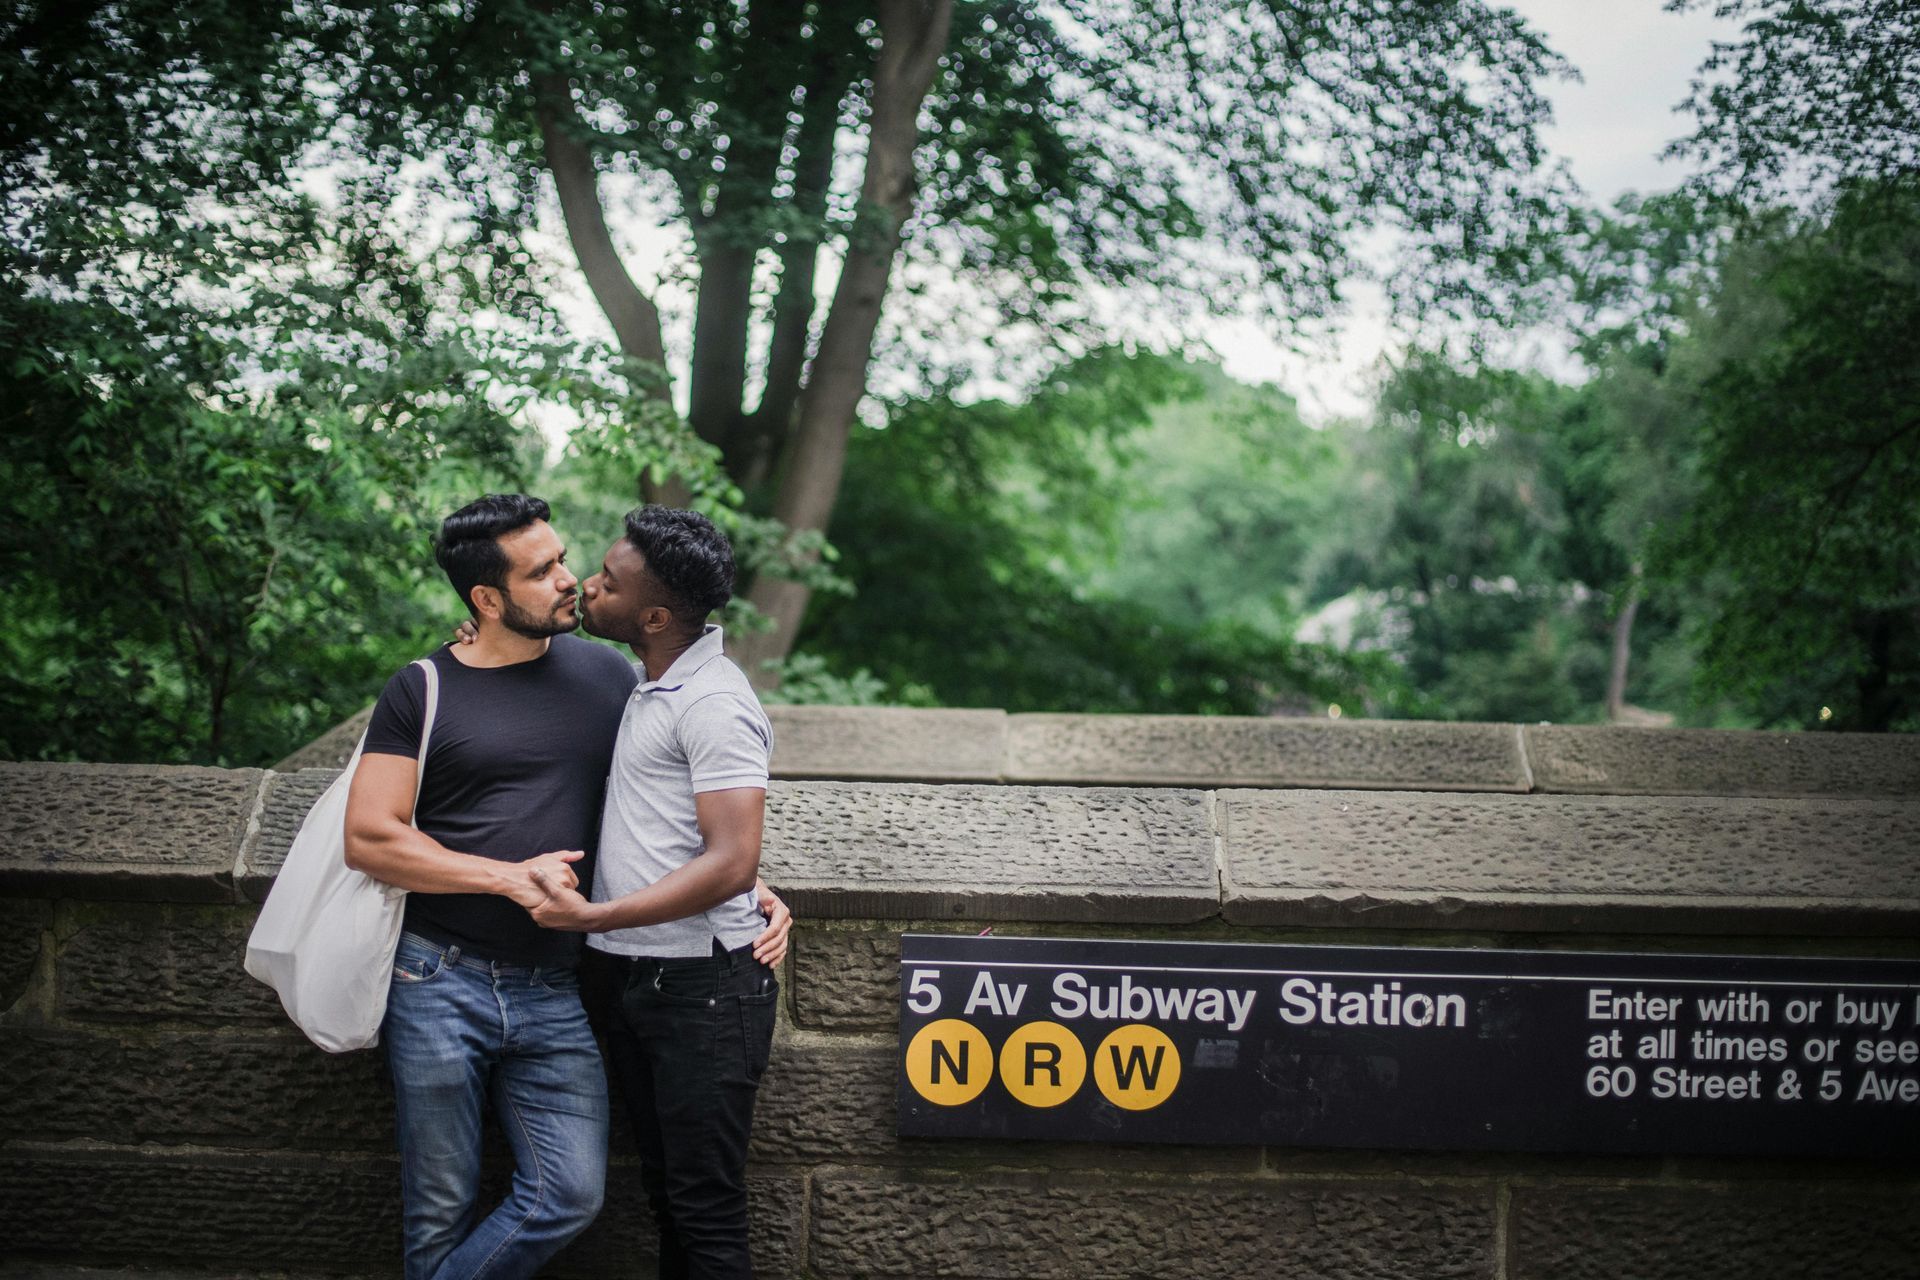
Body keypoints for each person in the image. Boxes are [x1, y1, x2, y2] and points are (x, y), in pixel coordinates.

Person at [343, 494, 787, 1280]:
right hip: (438, 976)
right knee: (440, 1202)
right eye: (543, 570)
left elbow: (700, 813)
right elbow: (369, 836)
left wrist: (750, 886)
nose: (571, 580)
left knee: (576, 1195)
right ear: (486, 600)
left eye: (567, 560)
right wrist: (510, 879)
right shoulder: (424, 687)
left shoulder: (610, 675)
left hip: (560, 986)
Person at [521, 505, 778, 1280]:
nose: (587, 588)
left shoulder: (715, 704)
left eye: (606, 582)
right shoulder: (649, 681)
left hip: (702, 990)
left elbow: (730, 861)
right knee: (666, 1194)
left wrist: (593, 915)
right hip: (632, 977)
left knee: (704, 1207)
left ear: (656, 615)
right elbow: (679, 831)